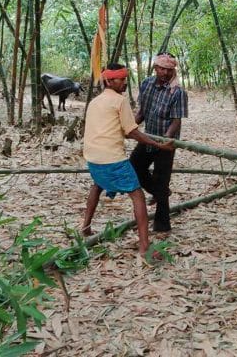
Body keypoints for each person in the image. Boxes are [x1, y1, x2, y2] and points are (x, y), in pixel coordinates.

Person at [80, 63, 175, 257]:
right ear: (109, 81)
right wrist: (160, 145)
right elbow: (132, 132)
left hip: (93, 156)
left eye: (125, 79)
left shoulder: (94, 102)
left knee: (97, 186)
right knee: (138, 195)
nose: (124, 83)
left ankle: (85, 228)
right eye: (120, 79)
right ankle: (145, 246)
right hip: (112, 159)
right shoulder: (119, 101)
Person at [129, 52, 188, 232]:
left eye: (169, 70)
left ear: (173, 71)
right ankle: (158, 191)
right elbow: (141, 113)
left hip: (166, 142)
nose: (165, 73)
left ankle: (162, 226)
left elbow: (176, 121)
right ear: (155, 68)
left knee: (162, 180)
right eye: (161, 69)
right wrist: (128, 127)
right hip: (148, 138)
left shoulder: (178, 92)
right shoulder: (147, 84)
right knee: (134, 167)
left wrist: (165, 141)